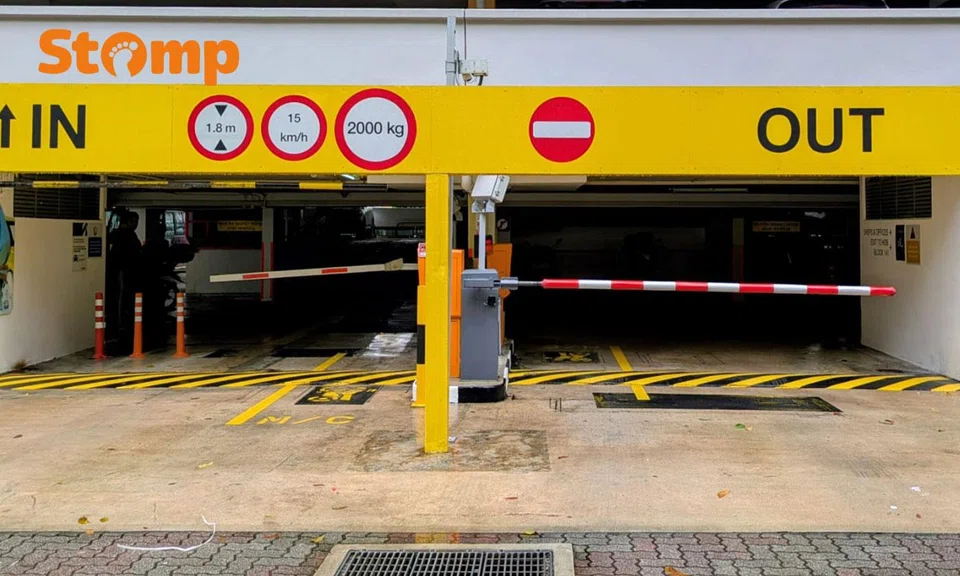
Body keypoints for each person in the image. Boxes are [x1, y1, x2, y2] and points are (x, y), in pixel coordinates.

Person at [105, 210, 142, 354]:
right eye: (133, 221)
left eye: (137, 222)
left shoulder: (119, 235)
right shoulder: (124, 236)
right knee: (121, 299)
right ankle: (121, 325)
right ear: (126, 222)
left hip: (124, 273)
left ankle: (122, 324)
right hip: (122, 273)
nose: (136, 224)